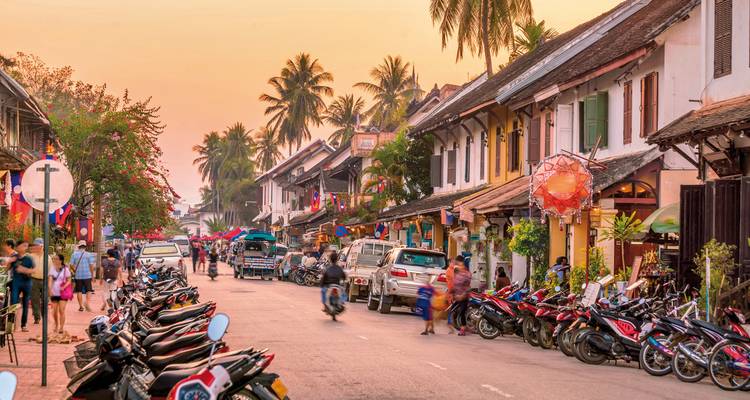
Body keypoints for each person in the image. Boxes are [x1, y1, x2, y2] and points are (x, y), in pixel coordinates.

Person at [9, 241, 34, 331]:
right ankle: (11, 325)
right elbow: (7, 268)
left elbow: (33, 270)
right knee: (13, 303)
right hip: (16, 282)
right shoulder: (14, 257)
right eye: (23, 246)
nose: (25, 247)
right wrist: (9, 262)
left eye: (26, 246)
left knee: (25, 304)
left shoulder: (29, 258)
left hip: (27, 283)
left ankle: (23, 325)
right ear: (17, 247)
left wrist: (24, 270)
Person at [29, 238, 51, 324]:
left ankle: (44, 316)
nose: (37, 247)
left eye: (39, 246)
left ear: (42, 246)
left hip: (44, 280)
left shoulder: (48, 257)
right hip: (33, 280)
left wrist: (50, 283)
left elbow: (50, 271)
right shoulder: (31, 256)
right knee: (35, 299)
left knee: (45, 299)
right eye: (36, 246)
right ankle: (37, 317)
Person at [49, 253, 72, 335]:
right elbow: (50, 279)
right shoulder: (52, 268)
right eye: (54, 259)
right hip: (54, 292)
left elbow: (69, 280)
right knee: (54, 311)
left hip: (63, 293)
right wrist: (49, 289)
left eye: (56, 259)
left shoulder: (66, 269)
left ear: (60, 260)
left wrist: (64, 286)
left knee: (61, 310)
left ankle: (61, 327)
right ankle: (56, 324)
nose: (54, 260)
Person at [71, 241, 95, 312]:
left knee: (79, 291)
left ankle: (81, 306)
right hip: (87, 275)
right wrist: (92, 275)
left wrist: (74, 270)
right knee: (89, 290)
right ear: (85, 247)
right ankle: (87, 303)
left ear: (79, 246)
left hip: (78, 276)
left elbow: (71, 264)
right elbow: (91, 266)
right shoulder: (89, 255)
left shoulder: (74, 254)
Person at [450, 256, 472, 336]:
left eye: (459, 263)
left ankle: (463, 329)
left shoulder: (467, 274)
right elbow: (455, 284)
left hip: (464, 297)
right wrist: (452, 293)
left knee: (462, 312)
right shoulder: (457, 273)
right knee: (452, 311)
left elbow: (468, 287)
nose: (458, 265)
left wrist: (463, 295)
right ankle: (459, 327)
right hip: (457, 296)